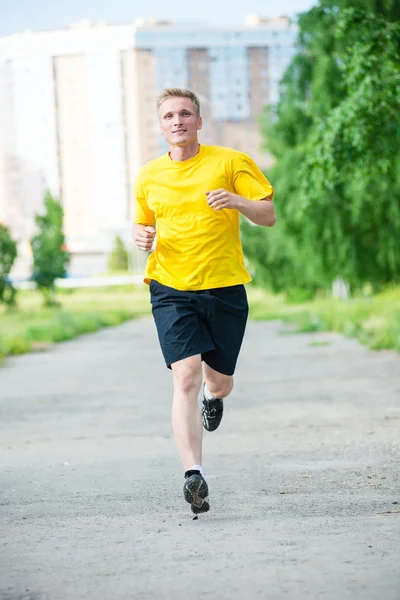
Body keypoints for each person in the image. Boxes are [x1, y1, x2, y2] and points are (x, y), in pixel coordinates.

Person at [133, 88, 276, 515]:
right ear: (160, 127)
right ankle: (193, 473)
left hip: (225, 286)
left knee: (218, 383)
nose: (177, 121)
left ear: (199, 120)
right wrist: (140, 237)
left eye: (185, 114)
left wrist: (237, 201)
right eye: (168, 116)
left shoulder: (230, 162)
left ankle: (215, 402)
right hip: (170, 287)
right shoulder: (148, 176)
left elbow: (268, 215)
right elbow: (143, 226)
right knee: (186, 378)